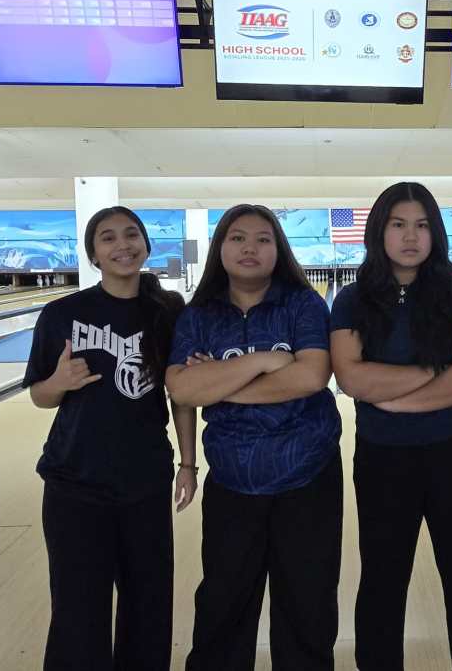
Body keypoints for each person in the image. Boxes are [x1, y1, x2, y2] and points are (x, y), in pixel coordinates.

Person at [330, 182, 452, 671]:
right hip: (383, 461)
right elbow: (351, 378)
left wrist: (395, 398)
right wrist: (436, 371)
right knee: (383, 579)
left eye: (422, 225)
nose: (411, 236)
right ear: (379, 231)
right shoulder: (352, 299)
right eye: (399, 224)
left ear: (436, 233)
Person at [166, 204, 342, 671]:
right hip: (232, 481)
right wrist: (263, 361)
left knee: (307, 604)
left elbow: (311, 377)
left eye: (263, 239)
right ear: (220, 247)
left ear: (278, 249)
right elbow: (181, 389)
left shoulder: (303, 304)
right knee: (223, 605)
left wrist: (218, 385)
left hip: (308, 477)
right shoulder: (198, 316)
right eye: (238, 238)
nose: (250, 248)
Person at [24, 206, 197, 671]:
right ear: (94, 254)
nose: (123, 244)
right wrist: (58, 382)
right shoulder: (62, 314)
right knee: (78, 612)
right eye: (108, 237)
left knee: (148, 607)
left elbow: (181, 396)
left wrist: (188, 464)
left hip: (145, 481)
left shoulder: (168, 313)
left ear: (146, 244)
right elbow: (40, 396)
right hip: (73, 482)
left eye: (131, 234)